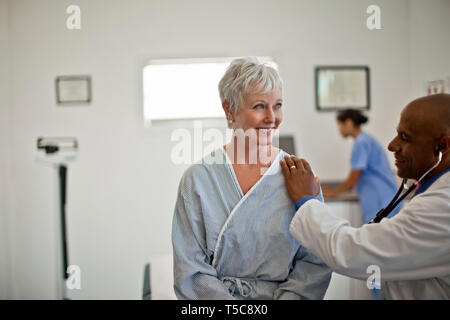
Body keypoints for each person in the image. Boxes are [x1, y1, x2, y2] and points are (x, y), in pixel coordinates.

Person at [172, 57, 331, 300]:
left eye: (277, 105)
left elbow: (315, 261)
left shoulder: (299, 175)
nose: (272, 117)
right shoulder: (198, 180)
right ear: (229, 109)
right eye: (259, 106)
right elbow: (190, 269)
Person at [280, 93, 450, 299]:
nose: (392, 146)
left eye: (405, 137)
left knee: (376, 266)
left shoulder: (440, 208)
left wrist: (307, 200)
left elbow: (354, 252)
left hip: (378, 198)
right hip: (379, 199)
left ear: (442, 147)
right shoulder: (434, 193)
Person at [322, 109, 401, 225]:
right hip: (386, 197)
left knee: (375, 239)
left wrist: (334, 192)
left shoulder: (361, 142)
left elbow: (354, 176)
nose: (339, 130)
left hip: (380, 199)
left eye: (339, 126)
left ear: (348, 123)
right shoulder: (366, 140)